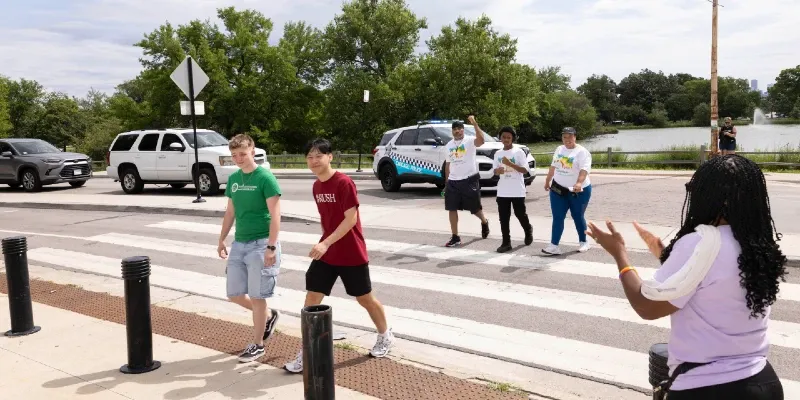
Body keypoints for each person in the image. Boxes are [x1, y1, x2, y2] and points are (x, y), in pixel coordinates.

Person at [586, 155, 786, 400]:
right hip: (763, 381)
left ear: (707, 195)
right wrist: (666, 256)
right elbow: (716, 281)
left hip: (709, 387)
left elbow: (647, 306)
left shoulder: (699, 243)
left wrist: (619, 253)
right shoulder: (758, 245)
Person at [284, 138, 394, 373]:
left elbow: (350, 219)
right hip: (327, 254)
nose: (314, 161)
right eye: (310, 157)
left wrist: (325, 243)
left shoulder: (343, 183)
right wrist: (325, 245)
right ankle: (307, 351)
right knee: (311, 300)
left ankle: (385, 335)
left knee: (365, 299)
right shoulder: (317, 186)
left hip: (351, 252)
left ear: (330, 157)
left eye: (318, 156)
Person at [217, 133, 282, 363]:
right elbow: (230, 212)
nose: (238, 158)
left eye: (242, 154)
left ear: (253, 151)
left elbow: (275, 215)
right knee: (234, 294)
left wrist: (271, 247)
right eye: (234, 155)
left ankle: (258, 345)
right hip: (239, 243)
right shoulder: (234, 179)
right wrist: (222, 238)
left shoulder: (265, 177)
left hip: (261, 243)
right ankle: (269, 316)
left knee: (257, 296)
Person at [542, 127, 592, 255]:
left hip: (578, 190)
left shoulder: (582, 152)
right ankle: (554, 245)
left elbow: (584, 170)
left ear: (575, 137)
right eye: (564, 137)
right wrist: (548, 180)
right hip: (558, 189)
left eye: (570, 136)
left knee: (577, 216)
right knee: (557, 217)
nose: (567, 139)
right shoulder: (559, 149)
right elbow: (554, 166)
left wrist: (579, 182)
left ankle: (584, 241)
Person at [443, 115, 491, 247]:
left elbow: (481, 140)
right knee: (451, 208)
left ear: (463, 130)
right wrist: (446, 183)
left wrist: (475, 123)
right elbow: (448, 165)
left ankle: (484, 221)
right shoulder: (448, 146)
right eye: (455, 129)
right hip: (453, 181)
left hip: (469, 180)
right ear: (452, 131)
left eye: (459, 129)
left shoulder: (470, 141)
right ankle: (455, 236)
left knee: (474, 208)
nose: (457, 131)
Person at [492, 126, 533, 253]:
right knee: (503, 218)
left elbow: (525, 170)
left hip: (517, 190)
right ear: (500, 138)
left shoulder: (518, 152)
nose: (506, 139)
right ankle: (506, 242)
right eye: (503, 137)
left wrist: (510, 164)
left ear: (513, 139)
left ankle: (528, 229)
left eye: (509, 137)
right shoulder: (498, 153)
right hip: (503, 190)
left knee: (520, 214)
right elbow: (495, 171)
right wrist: (497, 171)